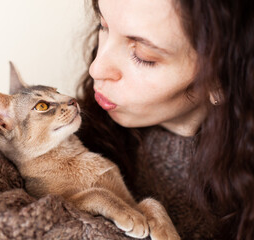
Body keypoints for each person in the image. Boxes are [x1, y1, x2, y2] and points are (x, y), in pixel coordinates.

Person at [76, 0, 254, 239]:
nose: (96, 69)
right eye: (103, 26)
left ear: (222, 78)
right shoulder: (64, 136)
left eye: (143, 56)